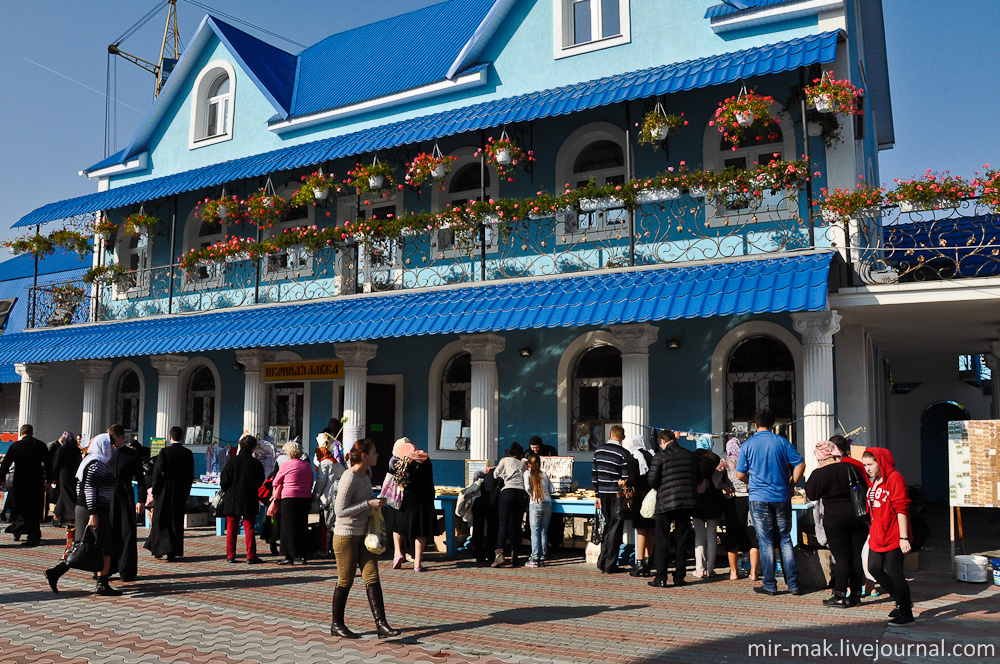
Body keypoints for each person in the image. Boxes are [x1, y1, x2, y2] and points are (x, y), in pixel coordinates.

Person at [331, 439, 400, 639]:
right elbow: (340, 511)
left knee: (372, 576)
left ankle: (382, 625)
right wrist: (367, 503)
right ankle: (337, 624)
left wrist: (377, 503)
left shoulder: (365, 476)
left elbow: (366, 502)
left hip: (365, 535)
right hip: (346, 536)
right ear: (364, 455)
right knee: (345, 580)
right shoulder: (349, 477)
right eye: (374, 452)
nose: (377, 455)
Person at [736, 408, 805, 596]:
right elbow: (800, 464)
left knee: (765, 541)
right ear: (773, 425)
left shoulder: (748, 444)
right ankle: (793, 584)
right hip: (781, 495)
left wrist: (752, 483)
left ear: (755, 425)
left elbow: (740, 473)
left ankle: (769, 584)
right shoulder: (782, 442)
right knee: (784, 538)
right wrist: (792, 484)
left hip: (759, 497)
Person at [44, 434, 122, 596]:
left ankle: (55, 572)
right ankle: (102, 585)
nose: (113, 448)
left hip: (85, 508)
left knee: (83, 545)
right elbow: (89, 489)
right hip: (93, 509)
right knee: (106, 546)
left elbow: (81, 487)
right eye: (110, 445)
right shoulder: (97, 465)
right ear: (103, 446)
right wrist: (93, 513)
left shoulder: (89, 461)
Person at [805, 440, 868, 609]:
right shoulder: (849, 467)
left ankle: (839, 594)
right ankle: (855, 594)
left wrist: (818, 471)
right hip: (857, 517)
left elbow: (811, 494)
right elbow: (863, 486)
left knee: (841, 557)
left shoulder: (819, 473)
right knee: (856, 556)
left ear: (820, 457)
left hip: (834, 519)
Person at [862, 447, 914, 625]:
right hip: (877, 533)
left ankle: (906, 613)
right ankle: (900, 599)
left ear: (880, 462)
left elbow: (902, 509)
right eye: (865, 465)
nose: (867, 468)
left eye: (870, 464)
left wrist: (904, 537)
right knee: (874, 568)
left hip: (894, 533)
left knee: (894, 571)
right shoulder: (874, 480)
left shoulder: (895, 478)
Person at [646, 429, 702, 588]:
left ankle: (661, 577)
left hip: (666, 502)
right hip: (686, 502)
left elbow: (652, 480)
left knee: (662, 538)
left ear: (663, 442)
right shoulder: (690, 455)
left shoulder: (661, 456)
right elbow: (698, 478)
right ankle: (679, 576)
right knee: (682, 539)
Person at [144, 426, 195, 561]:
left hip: (165, 489)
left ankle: (158, 550)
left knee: (160, 519)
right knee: (176, 520)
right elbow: (190, 475)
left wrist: (154, 491)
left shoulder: (165, 452)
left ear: (170, 437)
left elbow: (157, 473)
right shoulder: (188, 453)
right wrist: (187, 492)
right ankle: (173, 552)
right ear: (182, 437)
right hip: (180, 490)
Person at [389, 438, 435, 572]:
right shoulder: (425, 459)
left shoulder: (403, 461)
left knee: (399, 526)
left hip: (406, 498)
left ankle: (398, 553)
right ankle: (418, 563)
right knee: (421, 532)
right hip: (424, 499)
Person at [0, 424, 50, 546]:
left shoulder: (15, 446)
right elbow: (49, 463)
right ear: (32, 432)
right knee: (35, 508)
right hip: (36, 482)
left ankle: (18, 531)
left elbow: (6, 463)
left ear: (21, 433)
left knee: (21, 508)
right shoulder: (41, 446)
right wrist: (49, 481)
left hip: (20, 482)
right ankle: (34, 535)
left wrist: (1, 478)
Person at [108, 424, 145, 582]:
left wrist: (141, 500)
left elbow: (141, 480)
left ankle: (127, 570)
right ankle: (106, 568)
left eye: (113, 438)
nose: (111, 441)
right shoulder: (106, 454)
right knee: (108, 533)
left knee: (127, 533)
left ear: (121, 437)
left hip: (125, 497)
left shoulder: (131, 455)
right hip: (108, 497)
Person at [220, 435, 265, 564]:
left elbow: (224, 481)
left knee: (232, 527)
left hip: (232, 497)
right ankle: (250, 556)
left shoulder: (232, 461)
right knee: (249, 527)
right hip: (249, 497)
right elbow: (259, 481)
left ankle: (230, 555)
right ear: (253, 448)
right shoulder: (255, 463)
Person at [591, 425, 630, 574]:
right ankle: (610, 564)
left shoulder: (599, 451)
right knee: (615, 528)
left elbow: (594, 474)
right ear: (623, 437)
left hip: (602, 493)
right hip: (616, 495)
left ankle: (602, 561)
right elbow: (625, 477)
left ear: (610, 434)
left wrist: (597, 495)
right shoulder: (624, 454)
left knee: (608, 526)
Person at [722, 437, 759, 580]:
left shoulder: (725, 462)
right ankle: (753, 572)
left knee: (732, 535)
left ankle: (733, 572)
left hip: (734, 500)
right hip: (751, 498)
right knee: (753, 535)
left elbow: (715, 478)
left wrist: (725, 487)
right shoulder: (748, 459)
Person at [272, 440, 313, 565]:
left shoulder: (286, 465)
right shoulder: (306, 465)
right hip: (305, 498)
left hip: (289, 498)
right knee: (302, 525)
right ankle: (302, 555)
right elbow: (311, 481)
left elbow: (275, 482)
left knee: (287, 527)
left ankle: (288, 555)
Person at [492, 442, 528, 567]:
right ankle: (515, 554)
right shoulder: (523, 464)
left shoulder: (505, 460)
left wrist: (504, 475)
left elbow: (495, 474)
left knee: (503, 525)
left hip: (507, 492)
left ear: (510, 453)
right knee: (516, 525)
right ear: (520, 454)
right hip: (521, 494)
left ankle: (499, 555)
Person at [623, 435, 655, 577]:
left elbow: (633, 479)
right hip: (653, 497)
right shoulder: (652, 455)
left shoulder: (633, 457)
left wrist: (624, 482)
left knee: (641, 530)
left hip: (640, 497)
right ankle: (649, 561)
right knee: (651, 530)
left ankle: (640, 562)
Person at [693, 444, 726, 579]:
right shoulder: (715, 458)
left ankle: (699, 569)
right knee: (712, 534)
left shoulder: (693, 458)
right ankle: (710, 568)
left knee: (699, 535)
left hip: (698, 500)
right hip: (714, 499)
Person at [50, 431, 82, 559]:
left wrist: (52, 477)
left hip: (64, 477)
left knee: (67, 499)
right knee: (66, 497)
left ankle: (70, 518)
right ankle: (59, 515)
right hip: (74, 478)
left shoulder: (62, 450)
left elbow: (56, 464)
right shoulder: (76, 450)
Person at [522, 452, 554, 567]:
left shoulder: (527, 473)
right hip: (547, 502)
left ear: (529, 464)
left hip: (535, 503)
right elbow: (552, 489)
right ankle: (542, 555)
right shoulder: (544, 474)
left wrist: (532, 495)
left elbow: (527, 487)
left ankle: (535, 557)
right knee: (543, 530)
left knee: (534, 531)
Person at [313, 443, 344, 557]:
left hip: (326, 498)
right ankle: (333, 548)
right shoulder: (337, 464)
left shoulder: (324, 464)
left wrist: (315, 496)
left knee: (324, 525)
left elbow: (321, 482)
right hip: (337, 497)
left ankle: (323, 549)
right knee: (334, 525)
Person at [470, 465, 499, 564]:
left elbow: (476, 474)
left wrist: (474, 482)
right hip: (491, 503)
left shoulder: (488, 471)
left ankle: (478, 554)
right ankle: (491, 554)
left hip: (479, 501)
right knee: (492, 528)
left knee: (478, 528)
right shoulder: (500, 472)